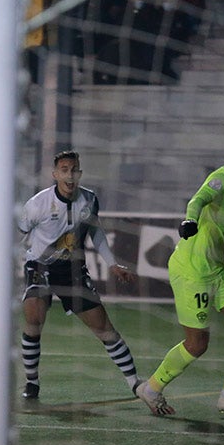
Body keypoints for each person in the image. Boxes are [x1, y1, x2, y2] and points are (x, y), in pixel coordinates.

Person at [135, 137, 224, 417]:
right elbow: (198, 199)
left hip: (217, 269)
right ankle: (151, 388)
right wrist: (189, 220)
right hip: (192, 271)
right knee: (197, 344)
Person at [19, 150, 141, 400]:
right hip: (40, 268)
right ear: (55, 175)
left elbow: (95, 231)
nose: (69, 175)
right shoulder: (37, 204)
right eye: (64, 170)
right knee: (33, 320)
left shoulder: (90, 199)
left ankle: (135, 383)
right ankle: (32, 382)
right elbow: (18, 234)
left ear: (80, 173)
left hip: (73, 271)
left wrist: (112, 263)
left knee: (105, 329)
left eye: (74, 170)